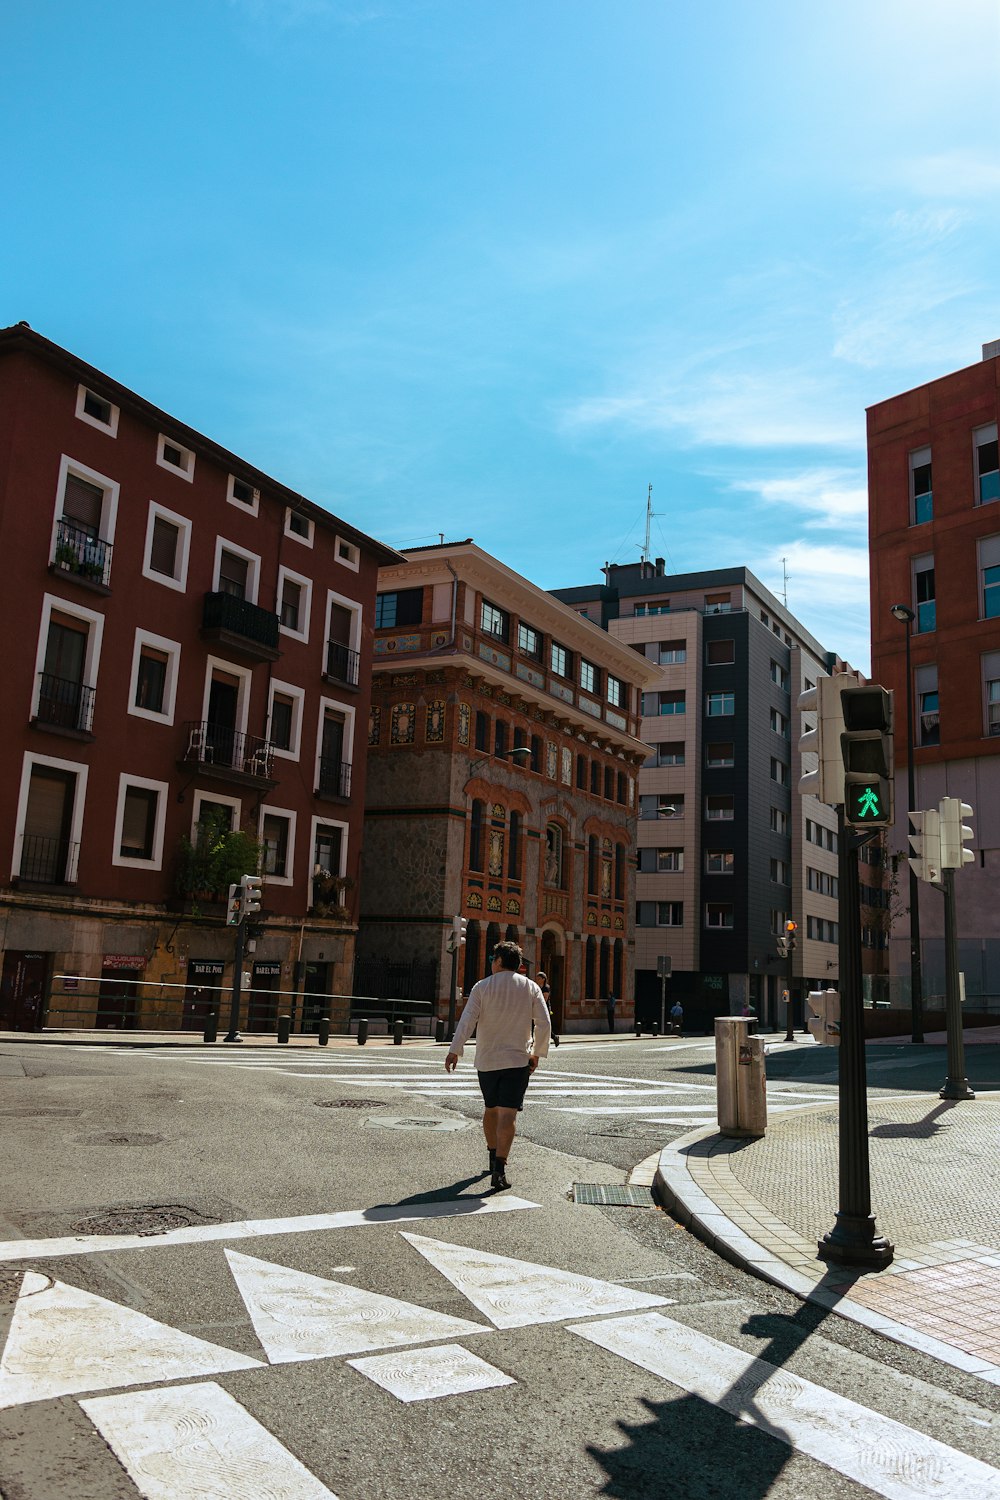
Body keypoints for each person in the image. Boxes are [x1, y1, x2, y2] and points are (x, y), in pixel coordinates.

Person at [445, 940, 550, 1191]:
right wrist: (536, 1053)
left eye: (493, 958)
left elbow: (467, 1020)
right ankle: (500, 1170)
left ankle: (492, 1157)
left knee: (491, 1109)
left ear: (500, 961)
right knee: (508, 1114)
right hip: (517, 1061)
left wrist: (454, 1050)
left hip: (487, 1061)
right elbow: (544, 1023)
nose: (492, 962)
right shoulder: (531, 987)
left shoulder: (482, 987)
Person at [535, 970, 558, 1046]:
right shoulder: (537, 987)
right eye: (536, 978)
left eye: (538, 978)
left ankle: (554, 1037)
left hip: (544, 1008)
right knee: (534, 1024)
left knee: (545, 1025)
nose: (537, 980)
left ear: (543, 979)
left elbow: (544, 999)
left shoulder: (546, 988)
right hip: (537, 1007)